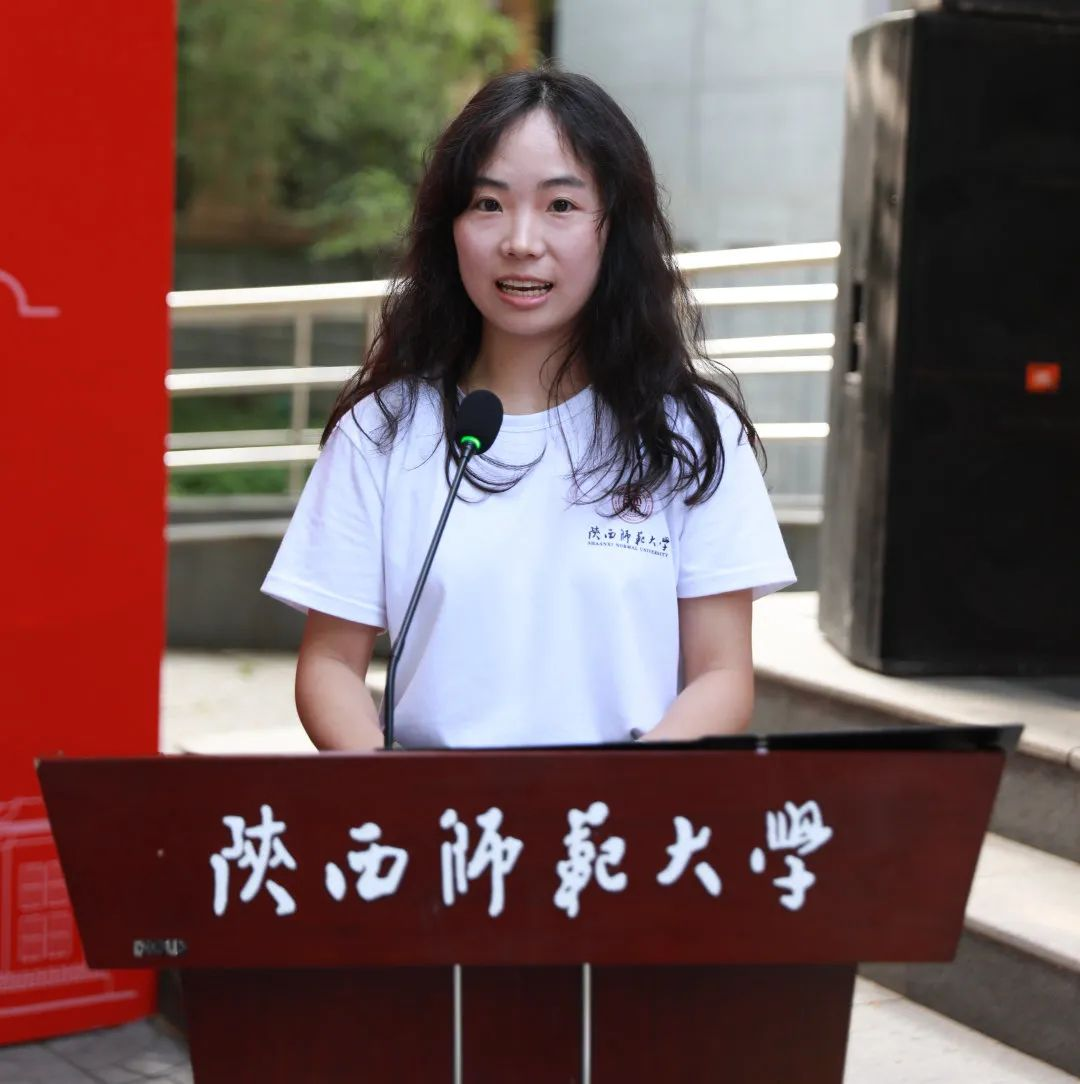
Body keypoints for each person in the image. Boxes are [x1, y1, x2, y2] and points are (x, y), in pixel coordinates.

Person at [261, 66, 795, 751]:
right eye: (488, 203)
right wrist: (389, 788)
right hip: (436, 811)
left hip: (618, 811)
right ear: (450, 228)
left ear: (615, 228)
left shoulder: (690, 435)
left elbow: (721, 676)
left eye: (560, 205)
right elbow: (331, 665)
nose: (520, 240)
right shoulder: (381, 432)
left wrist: (621, 792)